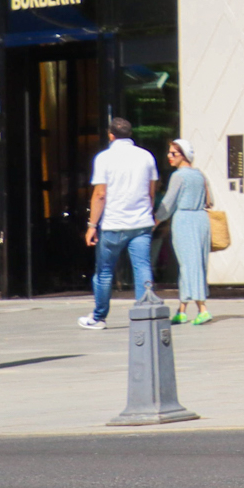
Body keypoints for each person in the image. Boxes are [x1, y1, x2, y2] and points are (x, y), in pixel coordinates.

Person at [79, 117, 158, 329]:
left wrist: (92, 225)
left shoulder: (104, 158)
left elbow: (100, 194)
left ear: (110, 135)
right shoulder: (146, 157)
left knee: (104, 271)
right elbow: (151, 192)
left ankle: (99, 317)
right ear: (130, 134)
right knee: (142, 267)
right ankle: (145, 314)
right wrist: (147, 213)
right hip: (141, 223)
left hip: (113, 224)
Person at [158, 139, 215, 327]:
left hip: (184, 220)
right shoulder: (200, 175)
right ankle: (182, 309)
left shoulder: (178, 176)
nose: (169, 156)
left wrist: (155, 220)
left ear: (184, 156)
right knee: (195, 263)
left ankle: (202, 309)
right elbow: (210, 200)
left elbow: (168, 203)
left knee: (189, 265)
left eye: (173, 153)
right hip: (201, 219)